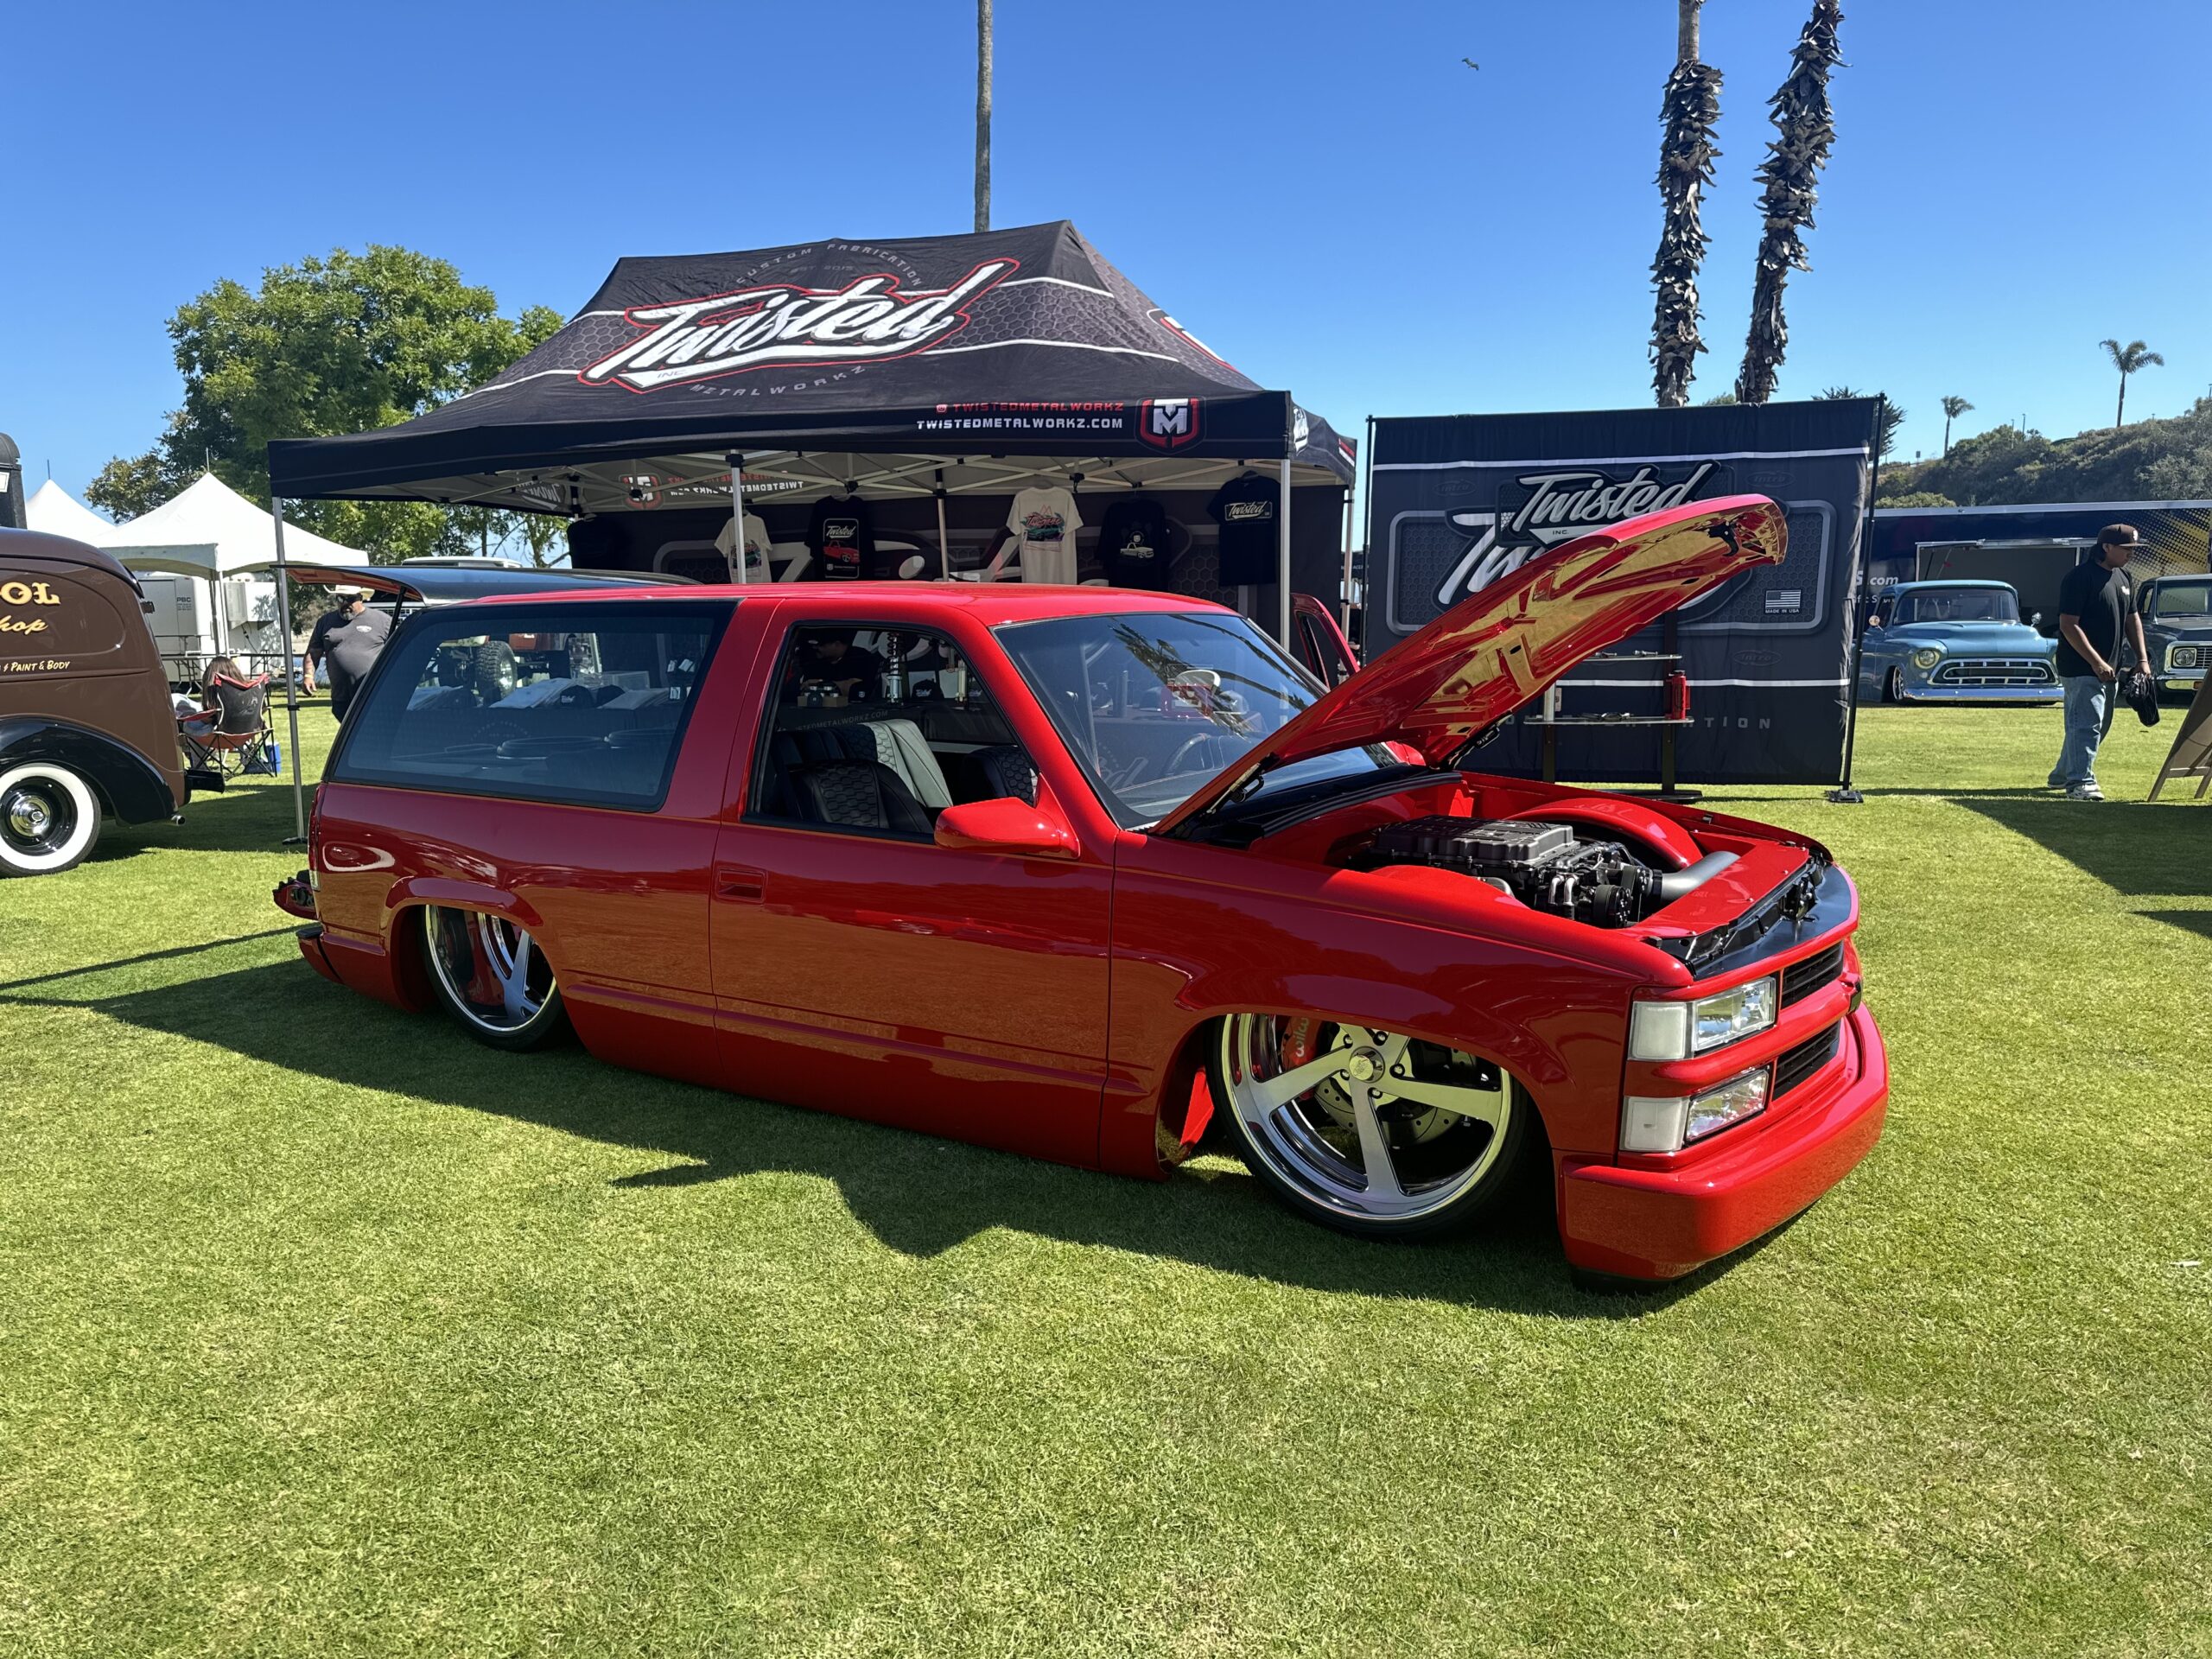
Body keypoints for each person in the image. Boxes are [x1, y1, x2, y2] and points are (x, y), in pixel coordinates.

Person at [2047, 524, 2153, 801]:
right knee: (2087, 724)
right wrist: (2096, 662)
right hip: (2081, 666)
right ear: (2106, 547)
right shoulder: (2079, 578)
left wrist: (2142, 658)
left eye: (2133, 549)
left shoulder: (2124, 577)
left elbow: (2132, 619)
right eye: (2126, 549)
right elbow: (2068, 625)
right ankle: (2080, 783)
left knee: (2098, 724)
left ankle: (2062, 775)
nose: (2131, 554)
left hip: (2111, 667)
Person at [305, 588, 393, 722]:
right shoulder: (325, 622)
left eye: (350, 599)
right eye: (340, 598)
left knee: (374, 730)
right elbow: (313, 651)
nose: (345, 603)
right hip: (341, 697)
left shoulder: (383, 621)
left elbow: (397, 652)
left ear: (361, 598)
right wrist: (308, 676)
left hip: (373, 695)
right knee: (349, 731)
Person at [789, 631, 884, 701]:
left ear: (836, 644)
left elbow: (860, 690)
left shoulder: (862, 658)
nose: (815, 648)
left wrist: (823, 684)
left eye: (821, 645)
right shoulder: (814, 662)